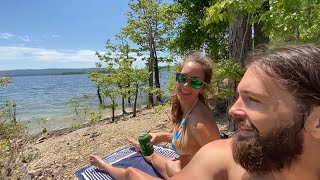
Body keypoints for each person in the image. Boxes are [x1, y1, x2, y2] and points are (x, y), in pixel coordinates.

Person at [123, 44, 320, 180]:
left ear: (317, 121)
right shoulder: (222, 157)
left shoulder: (201, 123)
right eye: (181, 77)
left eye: (254, 99)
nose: (233, 110)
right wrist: (164, 137)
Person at [89, 50, 221, 179]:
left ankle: (104, 166)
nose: (186, 85)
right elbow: (190, 141)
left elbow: (220, 166)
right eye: (182, 77)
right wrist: (162, 137)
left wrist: (181, 170)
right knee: (153, 155)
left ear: (203, 87)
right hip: (185, 170)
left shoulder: (198, 123)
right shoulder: (191, 107)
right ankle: (139, 147)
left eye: (195, 82)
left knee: (131, 173)